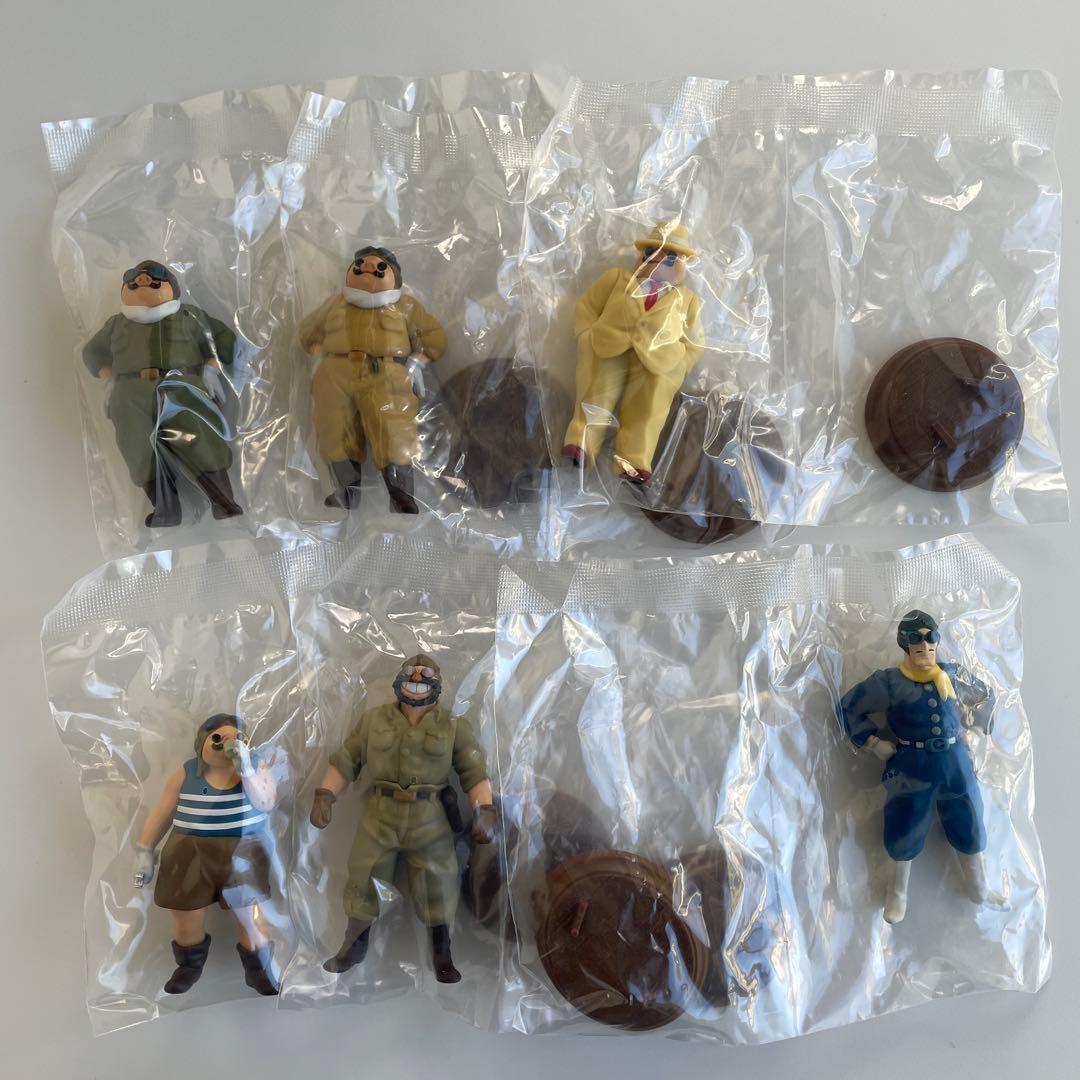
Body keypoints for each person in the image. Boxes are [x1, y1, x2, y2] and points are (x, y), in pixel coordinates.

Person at [310, 655, 496, 983]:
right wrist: (325, 795)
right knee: (363, 874)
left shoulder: (453, 725)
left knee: (438, 882)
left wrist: (485, 812)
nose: (417, 680)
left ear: (437, 684)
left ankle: (442, 952)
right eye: (411, 674)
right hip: (380, 815)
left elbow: (473, 772)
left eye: (425, 676)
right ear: (399, 680)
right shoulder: (373, 721)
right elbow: (347, 760)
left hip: (430, 818)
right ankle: (354, 945)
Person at [839, 610, 998, 923]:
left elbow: (985, 696)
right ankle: (897, 891)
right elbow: (847, 708)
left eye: (930, 638)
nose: (925, 646)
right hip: (912, 764)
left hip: (955, 761)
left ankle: (978, 885)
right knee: (905, 823)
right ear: (905, 644)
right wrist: (873, 742)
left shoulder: (951, 674)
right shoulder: (889, 681)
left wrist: (979, 728)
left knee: (969, 817)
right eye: (917, 639)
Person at [82, 260, 242, 527]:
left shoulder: (188, 315)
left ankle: (223, 499)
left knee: (201, 440)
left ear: (172, 287)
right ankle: (165, 509)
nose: (143, 283)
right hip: (130, 394)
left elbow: (223, 338)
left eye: (155, 280)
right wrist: (108, 378)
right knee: (138, 448)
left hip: (182, 386)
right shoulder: (116, 324)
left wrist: (212, 369)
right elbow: (92, 352)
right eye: (134, 282)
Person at [133, 714, 278, 995]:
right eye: (218, 739)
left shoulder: (255, 766)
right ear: (202, 743)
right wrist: (144, 849)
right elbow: (163, 811)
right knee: (187, 915)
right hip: (189, 853)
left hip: (243, 852)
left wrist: (246, 769)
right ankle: (189, 966)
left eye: (238, 739)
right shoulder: (187, 773)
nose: (229, 745)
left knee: (252, 915)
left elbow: (266, 802)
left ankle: (258, 968)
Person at [299, 246, 448, 513]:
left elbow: (435, 337)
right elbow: (309, 331)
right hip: (336, 373)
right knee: (335, 431)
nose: (367, 269)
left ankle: (401, 495)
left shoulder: (406, 306)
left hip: (386, 373)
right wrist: (318, 354)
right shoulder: (335, 304)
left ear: (394, 276)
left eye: (379, 268)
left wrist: (417, 361)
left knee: (394, 432)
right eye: (360, 266)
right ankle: (347, 491)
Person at [562, 221, 704, 484]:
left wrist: (680, 366)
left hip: (658, 365)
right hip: (607, 348)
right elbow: (587, 306)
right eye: (651, 254)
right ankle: (581, 443)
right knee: (594, 394)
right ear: (641, 256)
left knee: (647, 412)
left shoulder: (687, 300)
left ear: (683, 265)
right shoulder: (616, 279)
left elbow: (695, 340)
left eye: (670, 258)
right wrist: (585, 336)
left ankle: (634, 460)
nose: (658, 262)